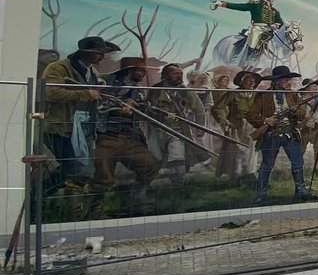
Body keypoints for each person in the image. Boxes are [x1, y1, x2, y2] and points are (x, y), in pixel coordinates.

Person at [41, 35, 120, 216]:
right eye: (99, 53)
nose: (102, 57)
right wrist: (83, 93)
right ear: (87, 53)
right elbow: (50, 91)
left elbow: (93, 97)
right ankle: (70, 212)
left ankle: (42, 195)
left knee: (74, 169)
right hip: (61, 126)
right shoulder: (59, 68)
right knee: (76, 170)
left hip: (84, 127)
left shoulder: (91, 72)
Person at [88, 57, 161, 217]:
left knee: (150, 166)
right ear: (129, 70)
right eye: (140, 70)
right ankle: (94, 210)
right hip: (107, 135)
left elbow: (144, 107)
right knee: (103, 176)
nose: (143, 73)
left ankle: (134, 201)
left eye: (144, 70)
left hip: (129, 136)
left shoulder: (138, 89)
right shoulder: (106, 82)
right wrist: (117, 106)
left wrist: (134, 105)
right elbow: (96, 103)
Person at [246, 65, 310, 206]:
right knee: (267, 165)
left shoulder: (292, 94)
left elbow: (301, 114)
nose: (289, 82)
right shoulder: (263, 95)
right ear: (277, 81)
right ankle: (261, 195)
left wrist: (294, 111)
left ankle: (300, 190)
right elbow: (251, 114)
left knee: (298, 162)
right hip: (271, 134)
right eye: (286, 80)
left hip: (290, 134)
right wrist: (265, 120)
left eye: (289, 80)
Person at [148, 63, 205, 190]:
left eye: (180, 73)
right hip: (157, 129)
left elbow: (199, 109)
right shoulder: (155, 90)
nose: (179, 76)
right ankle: (146, 185)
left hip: (177, 130)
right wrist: (161, 116)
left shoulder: (185, 91)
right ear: (166, 75)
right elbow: (148, 109)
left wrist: (200, 127)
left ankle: (178, 186)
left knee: (177, 156)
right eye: (175, 73)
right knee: (154, 157)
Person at [212, 0, 284, 57]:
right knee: (253, 40)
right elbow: (238, 6)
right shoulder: (255, 5)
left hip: (271, 30)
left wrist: (276, 25)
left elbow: (281, 24)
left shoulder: (275, 11)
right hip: (258, 28)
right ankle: (247, 58)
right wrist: (221, 3)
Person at [211, 70, 259, 182]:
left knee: (251, 151)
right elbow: (217, 108)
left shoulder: (257, 95)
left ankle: (249, 174)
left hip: (253, 126)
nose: (251, 83)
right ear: (241, 82)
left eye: (253, 81)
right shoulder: (232, 94)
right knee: (236, 151)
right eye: (248, 80)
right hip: (237, 126)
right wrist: (225, 121)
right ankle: (235, 177)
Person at [297, 78, 318, 174]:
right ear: (306, 88)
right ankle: (298, 168)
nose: (316, 88)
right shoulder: (299, 100)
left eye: (316, 86)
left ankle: (317, 168)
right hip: (304, 128)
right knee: (300, 148)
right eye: (314, 86)